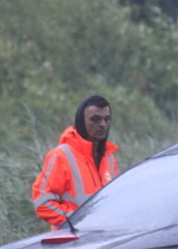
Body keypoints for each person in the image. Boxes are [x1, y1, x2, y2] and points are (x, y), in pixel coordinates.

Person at [31, 95, 120, 228]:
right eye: (95, 119)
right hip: (71, 242)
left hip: (104, 240)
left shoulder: (110, 159)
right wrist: (77, 222)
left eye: (107, 119)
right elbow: (43, 203)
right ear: (81, 122)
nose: (103, 124)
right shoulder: (61, 156)